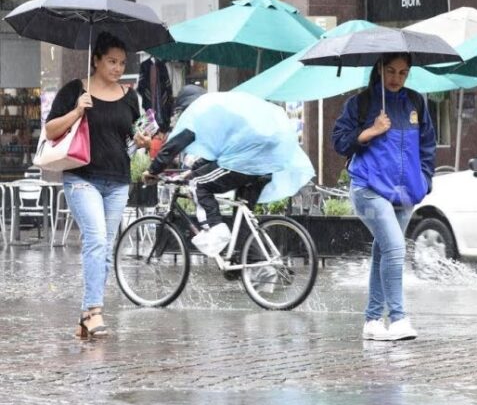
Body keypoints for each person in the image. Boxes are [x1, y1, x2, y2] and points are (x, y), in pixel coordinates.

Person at [44, 32, 151, 339]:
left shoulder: (130, 97)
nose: (117, 68)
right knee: (96, 239)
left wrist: (140, 142)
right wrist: (77, 110)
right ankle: (96, 311)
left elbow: (129, 138)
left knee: (105, 249)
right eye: (111, 61)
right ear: (96, 59)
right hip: (82, 177)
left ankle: (86, 317)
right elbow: (51, 130)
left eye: (122, 63)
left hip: (118, 180)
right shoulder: (76, 90)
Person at [333, 54, 436, 342]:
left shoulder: (417, 102)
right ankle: (399, 318)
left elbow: (427, 143)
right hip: (369, 187)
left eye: (403, 73)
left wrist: (425, 180)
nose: (396, 78)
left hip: (406, 192)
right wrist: (372, 131)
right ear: (379, 69)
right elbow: (340, 141)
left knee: (384, 252)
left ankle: (373, 320)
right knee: (394, 249)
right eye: (390, 71)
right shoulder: (361, 103)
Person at [144, 88, 314, 259]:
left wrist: (153, 171)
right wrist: (194, 170)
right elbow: (220, 155)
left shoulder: (199, 112)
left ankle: (216, 230)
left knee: (197, 184)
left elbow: (174, 145)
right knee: (244, 219)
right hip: (267, 163)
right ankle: (259, 267)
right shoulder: (222, 111)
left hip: (244, 162)